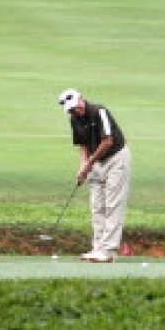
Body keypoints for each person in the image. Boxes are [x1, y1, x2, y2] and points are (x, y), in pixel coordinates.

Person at [57, 88, 132, 263]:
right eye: (71, 109)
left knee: (113, 205)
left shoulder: (99, 111)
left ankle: (108, 250)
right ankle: (98, 248)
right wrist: (82, 167)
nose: (75, 111)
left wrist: (89, 163)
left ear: (81, 99)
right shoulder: (74, 119)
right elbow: (82, 145)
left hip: (116, 159)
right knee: (97, 206)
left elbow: (107, 141)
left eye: (76, 106)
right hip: (96, 162)